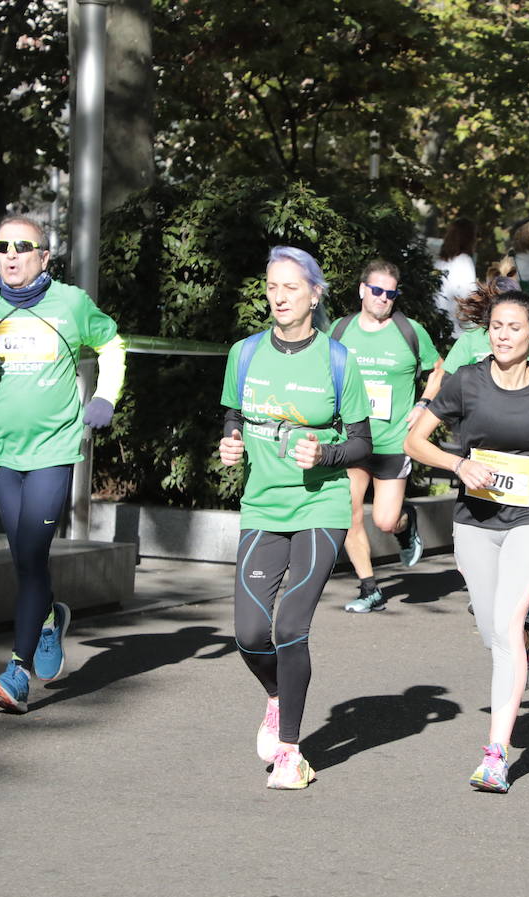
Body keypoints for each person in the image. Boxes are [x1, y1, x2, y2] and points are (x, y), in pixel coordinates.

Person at [0, 215, 126, 712]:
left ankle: (15, 673)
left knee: (33, 552)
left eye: (24, 246)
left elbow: (111, 343)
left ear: (44, 257)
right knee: (25, 560)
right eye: (3, 246)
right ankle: (48, 618)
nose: (11, 254)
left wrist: (105, 395)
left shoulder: (71, 303)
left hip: (54, 450)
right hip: (1, 452)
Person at [405, 282, 529, 793]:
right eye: (497, 327)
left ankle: (495, 754)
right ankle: (528, 632)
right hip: (475, 521)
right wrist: (459, 464)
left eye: (515, 328)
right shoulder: (466, 382)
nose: (504, 335)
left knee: (502, 631)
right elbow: (414, 441)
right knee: (493, 633)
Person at [218, 246, 373, 790]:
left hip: (319, 506)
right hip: (262, 504)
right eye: (272, 286)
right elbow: (233, 413)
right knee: (248, 633)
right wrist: (230, 440)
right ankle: (278, 695)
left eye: (290, 287)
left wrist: (325, 455)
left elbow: (361, 444)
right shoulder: (244, 353)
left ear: (314, 293)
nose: (279, 297)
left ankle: (290, 750)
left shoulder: (338, 360)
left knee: (289, 627)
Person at [331, 260, 445, 614]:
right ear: (363, 290)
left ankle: (405, 522)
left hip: (393, 440)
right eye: (377, 291)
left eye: (390, 293)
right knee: (347, 513)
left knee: (383, 520)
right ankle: (370, 588)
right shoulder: (340, 329)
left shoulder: (410, 331)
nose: (383, 298)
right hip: (351, 439)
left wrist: (425, 404)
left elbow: (438, 369)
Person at [434, 218, 477, 338]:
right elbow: (468, 298)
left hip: (438, 328)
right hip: (455, 332)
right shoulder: (464, 262)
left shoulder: (440, 262)